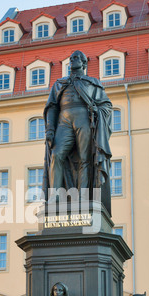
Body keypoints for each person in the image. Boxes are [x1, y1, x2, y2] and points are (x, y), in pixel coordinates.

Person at [42, 50, 112, 213]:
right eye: (71, 58)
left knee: (85, 158)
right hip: (64, 119)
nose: (72, 60)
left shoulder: (92, 83)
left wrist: (97, 110)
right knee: (57, 155)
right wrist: (50, 129)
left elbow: (106, 105)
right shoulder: (60, 83)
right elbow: (52, 106)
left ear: (84, 63)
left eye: (76, 58)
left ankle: (82, 197)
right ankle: (55, 196)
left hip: (83, 118)